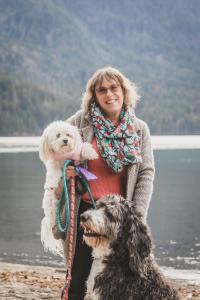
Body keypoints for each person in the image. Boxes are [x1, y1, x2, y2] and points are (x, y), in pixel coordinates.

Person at [55, 66, 155, 300]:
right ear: (94, 95)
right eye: (102, 90)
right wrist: (64, 171)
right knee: (76, 277)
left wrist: (136, 214)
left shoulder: (139, 129)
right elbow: (54, 147)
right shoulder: (78, 123)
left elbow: (146, 173)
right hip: (85, 210)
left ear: (124, 91)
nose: (109, 94)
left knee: (124, 277)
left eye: (114, 88)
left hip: (119, 217)